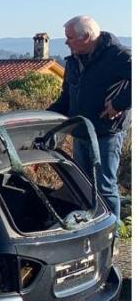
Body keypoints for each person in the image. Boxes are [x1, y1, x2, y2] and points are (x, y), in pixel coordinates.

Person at [48, 15, 130, 218]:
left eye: (69, 37)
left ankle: (111, 232)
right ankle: (88, 227)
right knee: (81, 186)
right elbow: (66, 98)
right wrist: (44, 118)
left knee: (104, 187)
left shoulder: (118, 55)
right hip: (81, 132)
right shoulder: (73, 61)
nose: (66, 42)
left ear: (85, 37)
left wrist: (118, 104)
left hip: (105, 133)